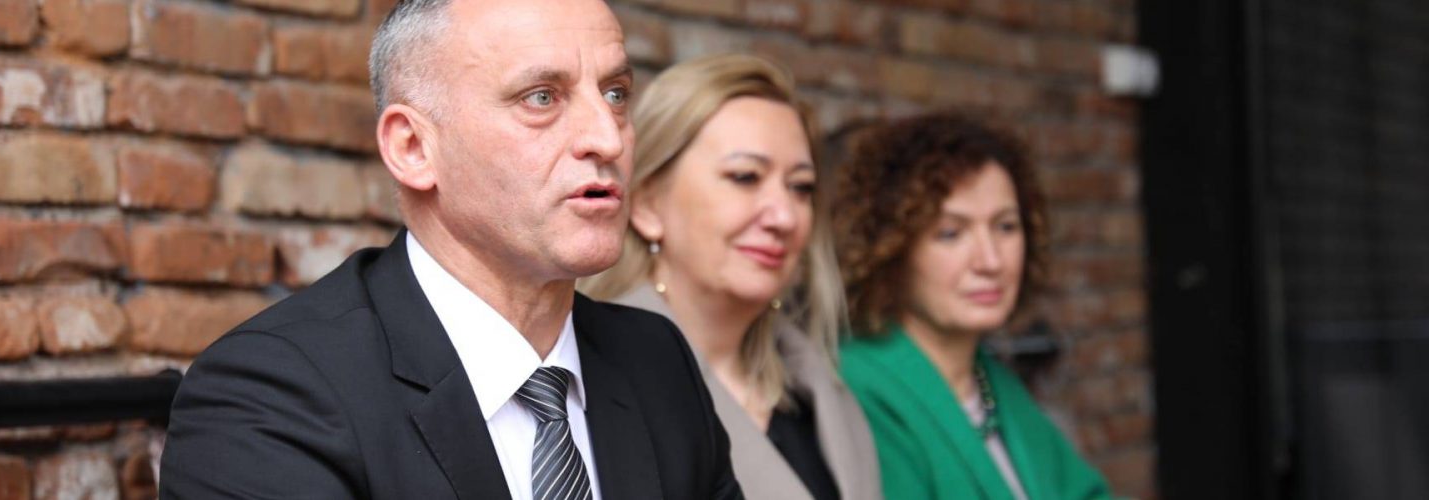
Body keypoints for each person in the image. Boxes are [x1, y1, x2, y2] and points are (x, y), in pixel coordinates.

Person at [159, 0, 742, 498]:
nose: (607, 137)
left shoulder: (655, 361)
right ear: (413, 148)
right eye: (541, 97)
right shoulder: (270, 394)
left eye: (615, 94)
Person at [582, 54, 880, 500]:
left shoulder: (817, 389)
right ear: (646, 205)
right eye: (745, 177)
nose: (783, 216)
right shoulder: (591, 381)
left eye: (801, 187)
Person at [832, 113, 1111, 500]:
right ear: (892, 250)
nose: (990, 261)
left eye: (1005, 226)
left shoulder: (993, 381)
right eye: (951, 233)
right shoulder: (858, 387)